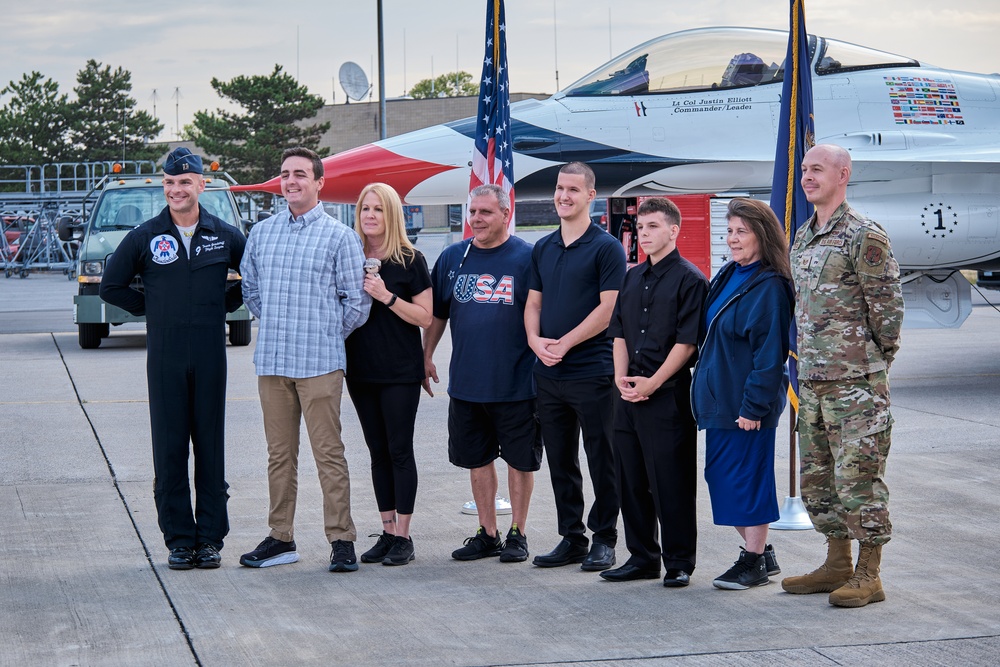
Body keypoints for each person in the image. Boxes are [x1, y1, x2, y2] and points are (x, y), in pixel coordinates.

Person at [100, 147, 246, 570]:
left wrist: (222, 304)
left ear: (202, 185)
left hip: (209, 356)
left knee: (210, 447)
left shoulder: (224, 234)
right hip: (164, 357)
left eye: (185, 182)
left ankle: (210, 539)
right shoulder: (145, 236)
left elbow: (255, 275)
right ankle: (180, 539)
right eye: (169, 182)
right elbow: (112, 286)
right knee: (169, 449)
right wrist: (154, 308)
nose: (176, 189)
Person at [239, 147, 371, 572]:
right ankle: (281, 538)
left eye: (300, 174)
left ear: (319, 183)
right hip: (274, 362)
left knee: (328, 454)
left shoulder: (339, 237)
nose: (290, 180)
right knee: (280, 456)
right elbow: (251, 290)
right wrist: (277, 321)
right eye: (284, 174)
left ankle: (341, 539)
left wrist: (326, 333)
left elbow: (357, 303)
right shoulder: (262, 233)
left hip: (319, 364)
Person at [782, 144, 903, 608]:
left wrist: (870, 365)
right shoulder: (804, 235)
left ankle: (869, 573)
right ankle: (835, 562)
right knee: (819, 479)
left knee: (860, 479)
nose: (806, 176)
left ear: (843, 175)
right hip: (812, 382)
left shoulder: (864, 235)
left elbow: (887, 313)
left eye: (816, 169)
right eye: (805, 169)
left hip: (855, 385)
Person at [423, 184, 541, 564]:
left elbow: (542, 315)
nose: (476, 219)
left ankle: (517, 533)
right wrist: (425, 356)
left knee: (520, 461)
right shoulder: (453, 258)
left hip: (518, 382)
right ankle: (487, 533)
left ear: (506, 214)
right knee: (477, 458)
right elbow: (438, 314)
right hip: (468, 383)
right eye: (472, 212)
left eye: (485, 212)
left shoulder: (528, 258)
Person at [600, 197, 708, 587]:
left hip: (666, 395)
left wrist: (653, 382)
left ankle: (679, 562)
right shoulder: (631, 277)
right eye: (641, 228)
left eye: (653, 227)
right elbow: (619, 333)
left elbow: (687, 343)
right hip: (627, 394)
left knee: (671, 481)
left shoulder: (691, 279)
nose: (644, 235)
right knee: (630, 478)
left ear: (673, 231)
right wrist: (621, 378)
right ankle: (642, 556)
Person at [525, 162, 626, 572]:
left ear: (590, 195)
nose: (563, 195)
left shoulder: (606, 248)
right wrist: (535, 341)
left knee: (603, 457)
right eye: (559, 188)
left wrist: (564, 343)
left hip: (593, 371)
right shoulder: (543, 248)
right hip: (549, 374)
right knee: (560, 460)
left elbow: (608, 310)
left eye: (572, 189)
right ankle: (571, 536)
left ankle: (604, 538)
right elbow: (533, 303)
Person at [690, 198, 794, 590]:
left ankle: (752, 561)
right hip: (721, 401)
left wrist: (754, 406)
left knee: (747, 480)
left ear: (762, 235)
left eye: (741, 232)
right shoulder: (730, 273)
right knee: (721, 478)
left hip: (746, 406)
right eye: (729, 231)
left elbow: (769, 357)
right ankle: (762, 553)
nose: (732, 239)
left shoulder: (769, 286)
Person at [345, 183, 432, 567]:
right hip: (360, 369)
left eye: (378, 209)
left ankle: (404, 536)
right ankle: (386, 528)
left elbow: (424, 317)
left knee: (399, 450)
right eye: (365, 208)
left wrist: (386, 296)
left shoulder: (411, 259)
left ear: (391, 214)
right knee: (376, 452)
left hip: (399, 370)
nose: (370, 215)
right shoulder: (348, 256)